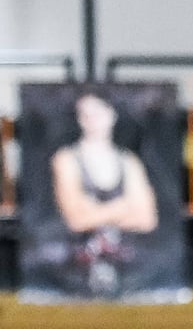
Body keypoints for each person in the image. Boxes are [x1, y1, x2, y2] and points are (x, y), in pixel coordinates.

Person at [49, 93, 159, 296]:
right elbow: (76, 220)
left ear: (112, 115)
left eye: (98, 113)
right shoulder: (66, 159)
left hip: (129, 269)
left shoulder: (129, 162)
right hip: (75, 271)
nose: (92, 121)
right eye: (85, 114)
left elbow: (146, 219)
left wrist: (94, 211)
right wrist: (123, 206)